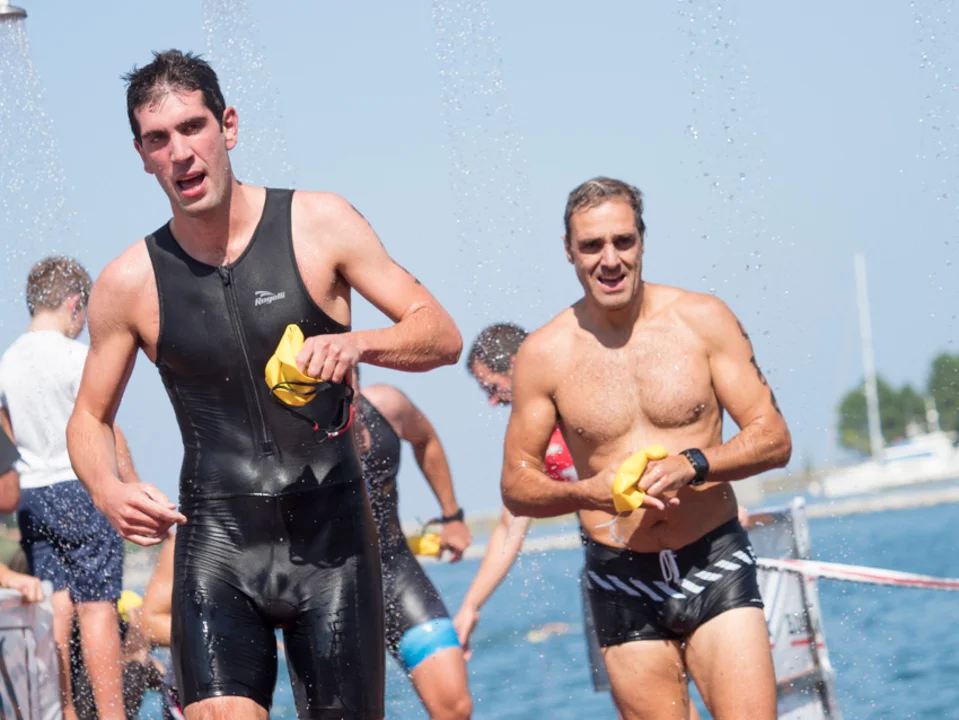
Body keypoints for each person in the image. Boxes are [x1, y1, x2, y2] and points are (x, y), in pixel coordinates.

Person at [66, 50, 462, 720]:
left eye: (192, 127)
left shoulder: (320, 223)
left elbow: (441, 334)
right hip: (219, 547)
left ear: (228, 126)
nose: (180, 153)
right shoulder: (129, 281)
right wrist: (107, 489)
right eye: (158, 139)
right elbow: (88, 417)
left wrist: (359, 343)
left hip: (334, 543)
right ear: (142, 155)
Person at [500, 177, 791, 720]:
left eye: (623, 241)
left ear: (642, 239)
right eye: (592, 246)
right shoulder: (544, 353)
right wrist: (589, 493)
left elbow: (773, 438)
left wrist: (694, 464)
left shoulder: (702, 320)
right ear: (568, 251)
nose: (610, 260)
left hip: (713, 559)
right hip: (620, 578)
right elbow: (516, 486)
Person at [0, 256, 137, 720]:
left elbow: (7, 434)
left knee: (57, 603)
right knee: (97, 607)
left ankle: (65, 710)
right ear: (76, 304)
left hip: (33, 494)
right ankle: (112, 715)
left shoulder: (7, 362)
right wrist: (133, 484)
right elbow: (106, 428)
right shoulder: (78, 357)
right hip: (81, 487)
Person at [354, 371, 472, 719]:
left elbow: (426, 439)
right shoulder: (290, 428)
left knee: (455, 708)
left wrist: (452, 516)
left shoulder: (388, 405)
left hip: (396, 572)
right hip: (330, 589)